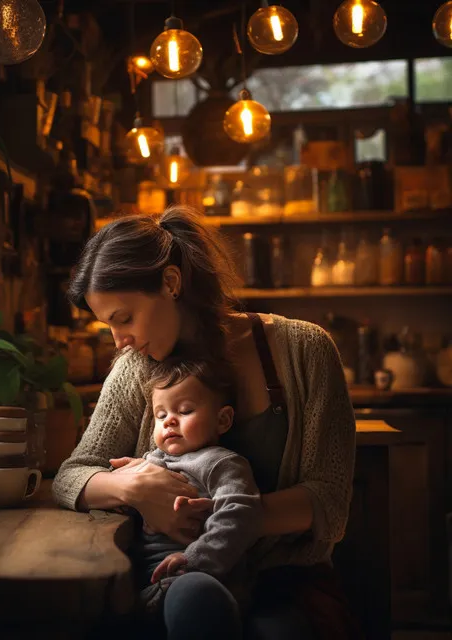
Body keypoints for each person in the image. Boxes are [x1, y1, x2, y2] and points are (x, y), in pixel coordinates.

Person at [52, 205, 361, 639]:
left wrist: (226, 519)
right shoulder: (134, 368)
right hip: (176, 578)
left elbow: (329, 499)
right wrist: (137, 489)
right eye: (108, 326)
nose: (119, 341)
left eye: (124, 319)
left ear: (171, 282)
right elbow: (71, 476)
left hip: (283, 580)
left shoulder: (304, 350)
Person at [135, 357, 262, 633]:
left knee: (194, 593)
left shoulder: (221, 463)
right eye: (160, 415)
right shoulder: (150, 461)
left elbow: (241, 513)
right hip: (150, 588)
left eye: (184, 410)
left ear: (223, 419)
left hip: (204, 579)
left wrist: (195, 559)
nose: (169, 420)